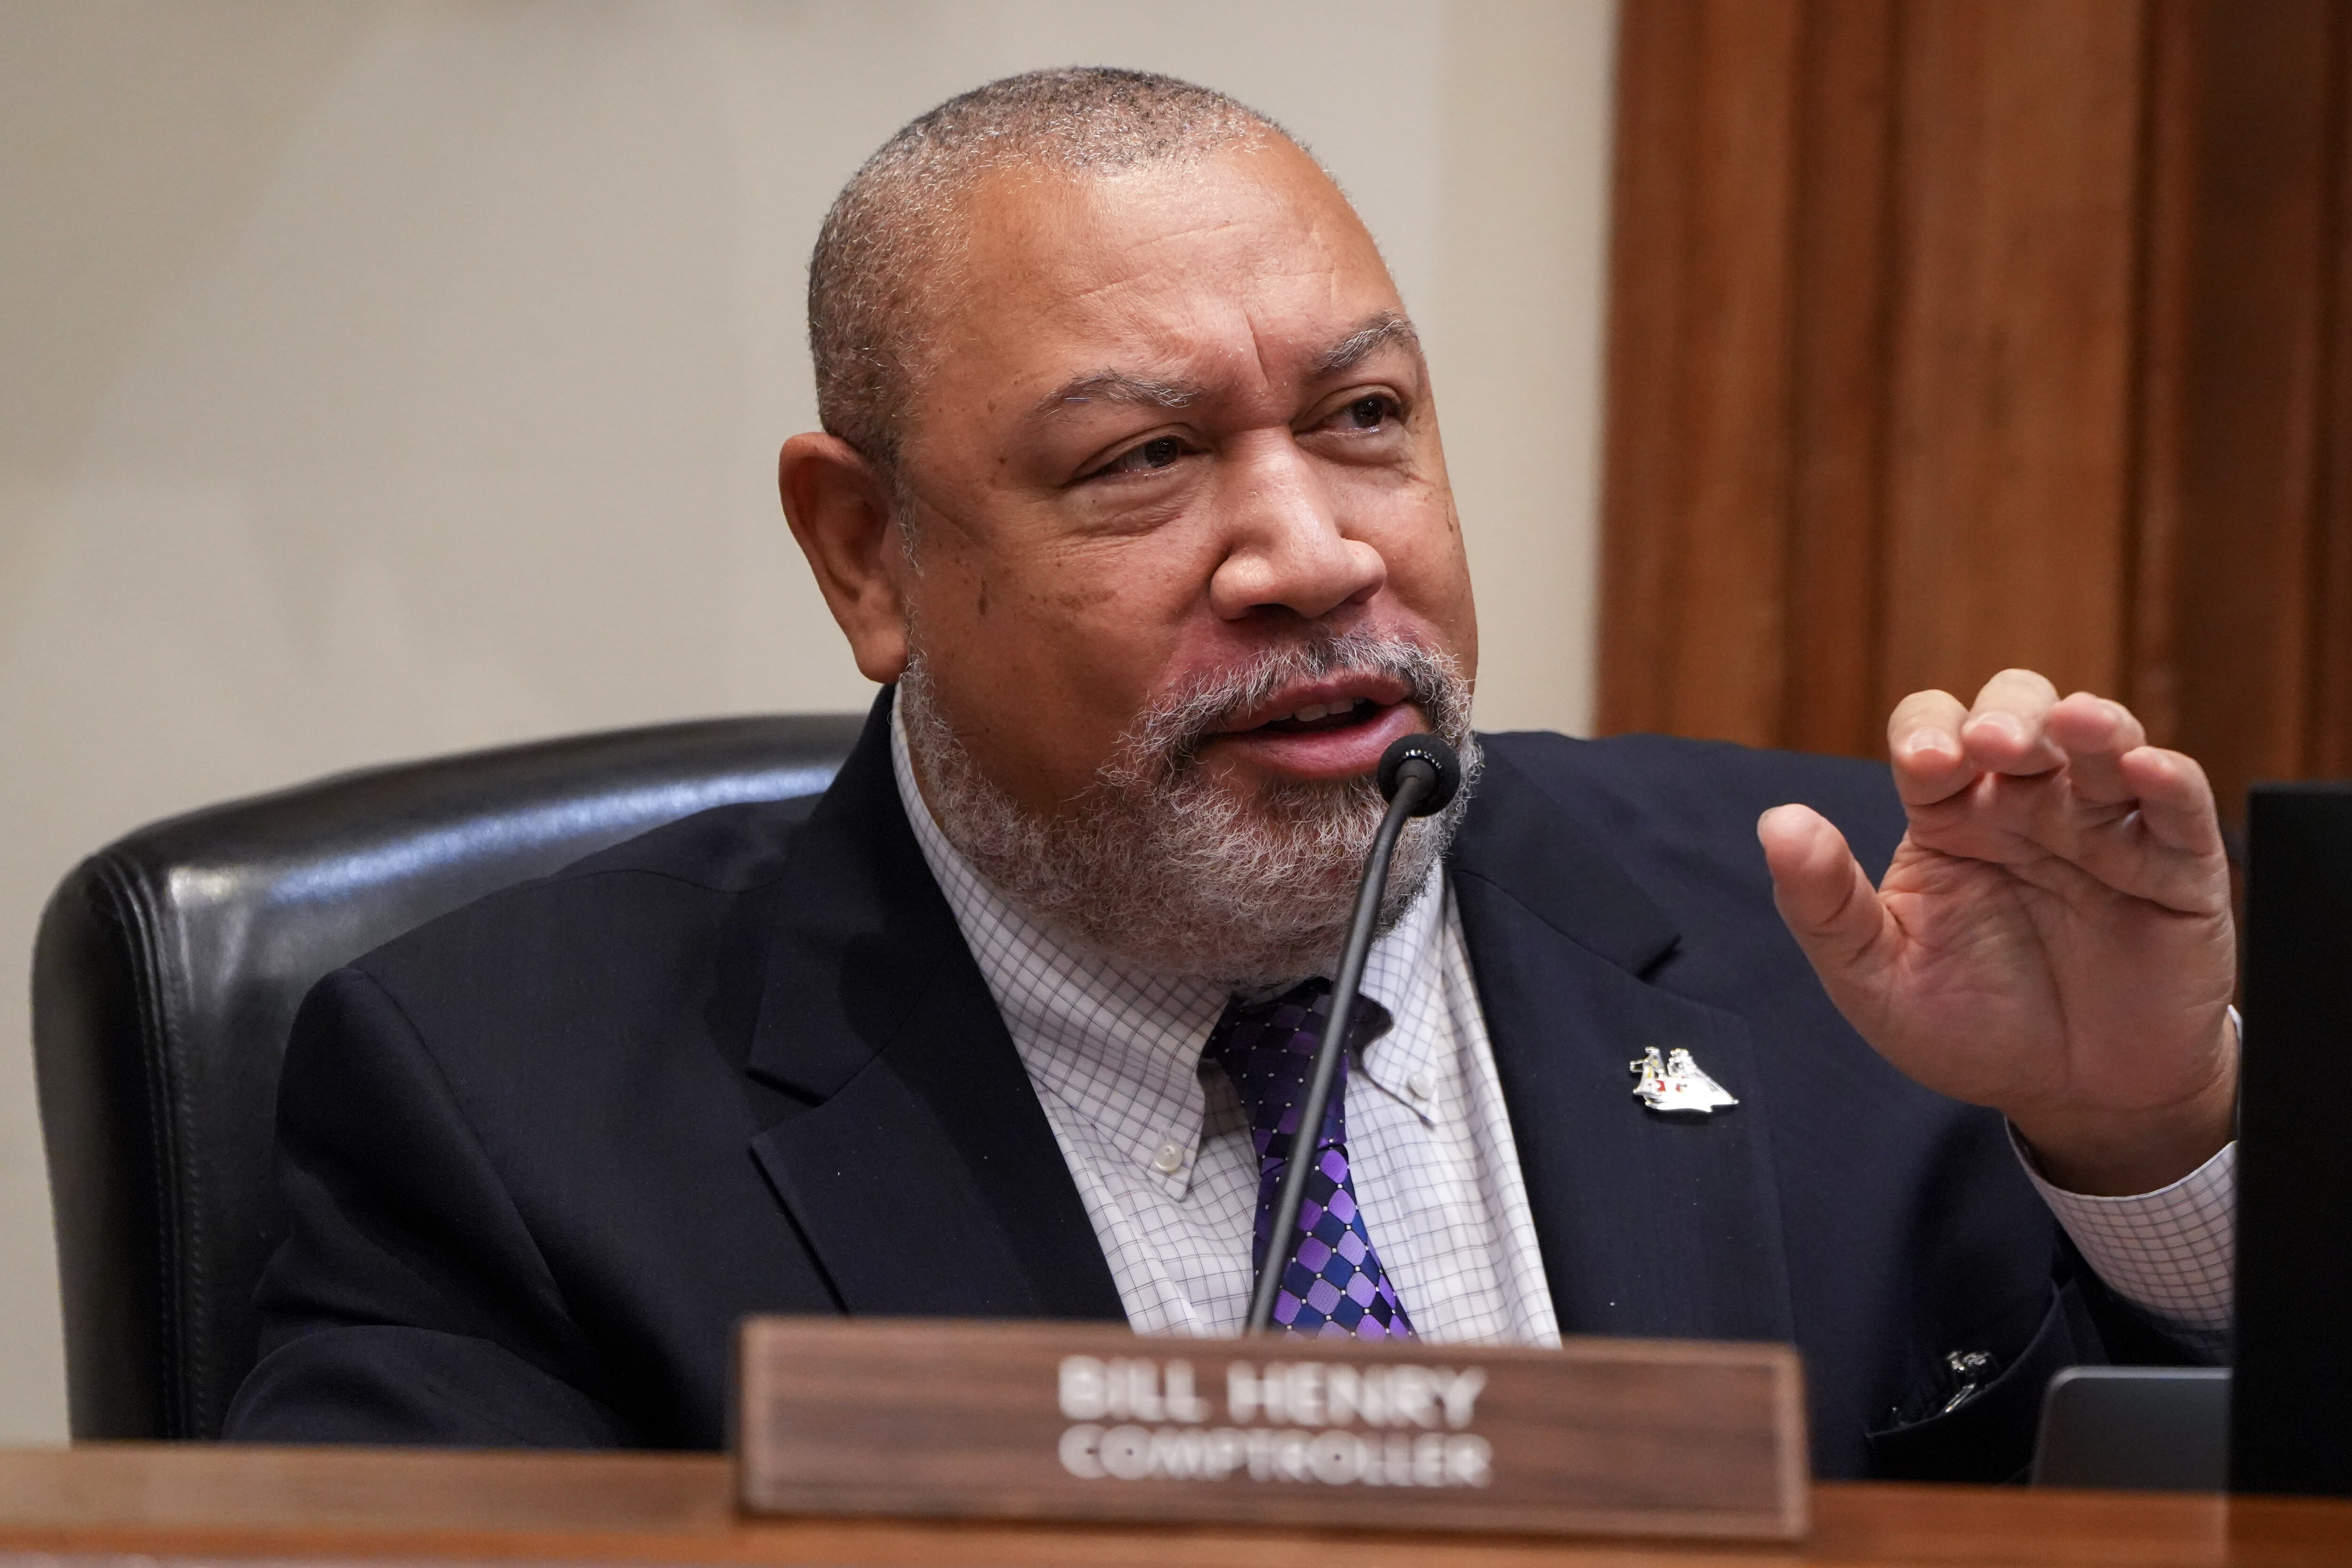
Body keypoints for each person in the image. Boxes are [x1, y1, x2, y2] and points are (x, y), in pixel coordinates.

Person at [225, 70, 2238, 1482]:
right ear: (867, 553)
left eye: (1362, 416)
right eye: (1141, 460)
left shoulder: (1840, 935)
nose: (1313, 553)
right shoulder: (507, 1099)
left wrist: (2139, 1141)